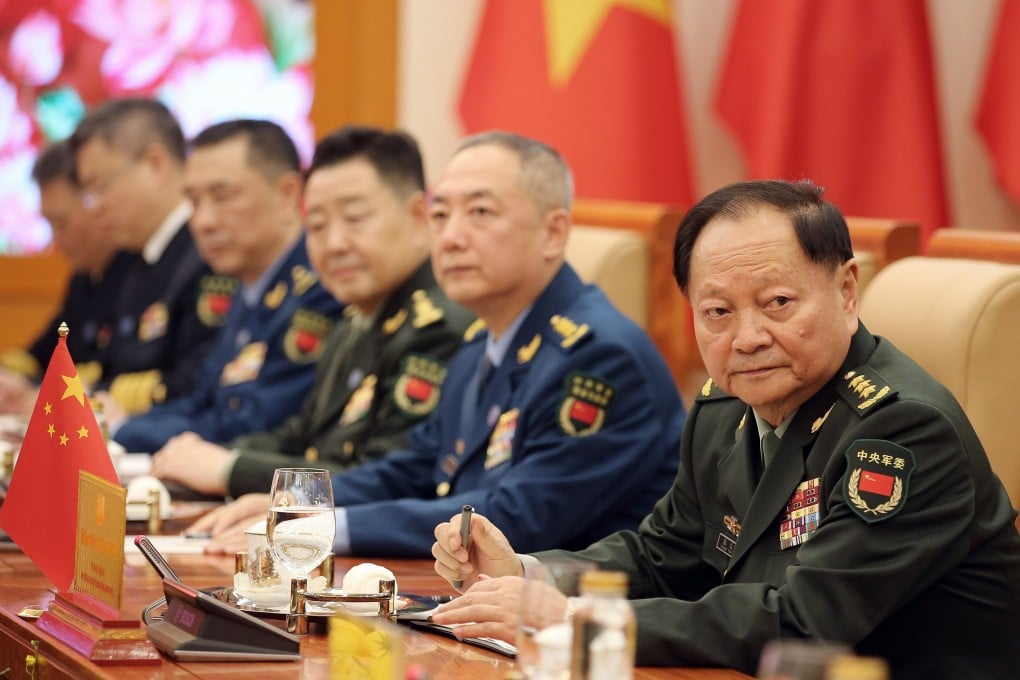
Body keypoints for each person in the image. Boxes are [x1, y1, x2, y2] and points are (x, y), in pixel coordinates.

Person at [429, 180, 1020, 679]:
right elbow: (661, 558)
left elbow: (803, 621)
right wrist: (528, 573)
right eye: (717, 312)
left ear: (845, 291)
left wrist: (570, 617)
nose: (748, 338)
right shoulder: (724, 409)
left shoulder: (902, 432)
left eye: (778, 302)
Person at [190, 131, 685, 557]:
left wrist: (329, 527)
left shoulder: (597, 357)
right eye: (441, 215)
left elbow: (517, 516)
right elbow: (412, 468)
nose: (450, 238)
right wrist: (300, 503)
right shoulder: (481, 344)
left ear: (553, 233)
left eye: (480, 213)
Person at [147, 125, 473, 496]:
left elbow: (394, 480)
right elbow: (302, 437)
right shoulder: (353, 324)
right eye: (317, 225)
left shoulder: (438, 327)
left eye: (355, 219)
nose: (334, 244)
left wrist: (232, 470)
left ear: (418, 216)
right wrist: (210, 456)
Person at [108, 120, 343, 454]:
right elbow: (201, 402)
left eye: (223, 197)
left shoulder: (321, 289)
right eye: (193, 202)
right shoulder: (248, 287)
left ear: (288, 194)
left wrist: (122, 429)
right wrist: (123, 423)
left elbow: (251, 425)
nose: (203, 221)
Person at [71, 97, 219, 415]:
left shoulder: (207, 251)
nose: (95, 207)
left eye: (100, 186)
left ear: (155, 164)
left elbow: (195, 381)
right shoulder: (136, 258)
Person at [0, 140, 134, 415]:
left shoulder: (140, 271)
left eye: (61, 222)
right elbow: (42, 353)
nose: (56, 238)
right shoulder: (85, 278)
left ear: (97, 202)